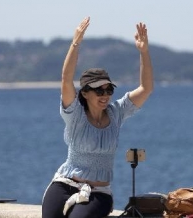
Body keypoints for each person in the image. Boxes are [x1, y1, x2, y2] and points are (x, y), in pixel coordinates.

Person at [42, 17, 154, 218]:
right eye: (99, 90)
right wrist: (76, 42)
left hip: (98, 193)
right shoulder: (75, 115)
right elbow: (66, 79)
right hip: (65, 184)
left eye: (108, 89)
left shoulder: (116, 112)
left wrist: (144, 52)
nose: (105, 95)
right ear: (84, 93)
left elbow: (146, 88)